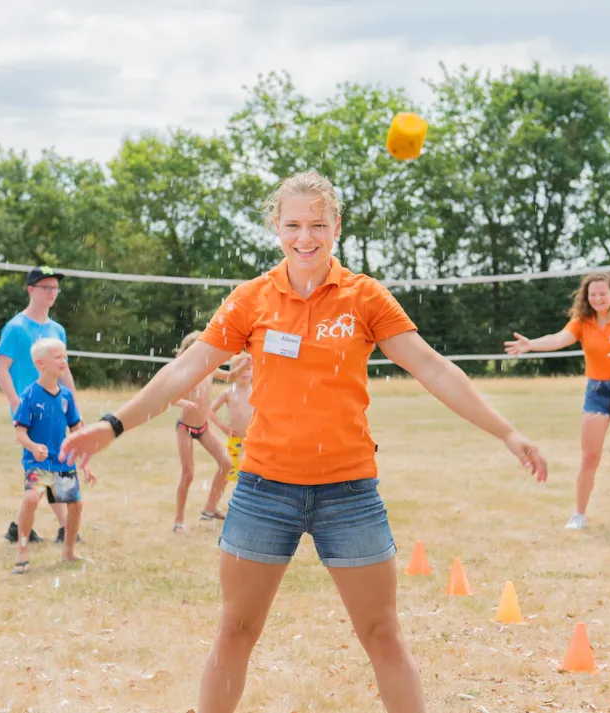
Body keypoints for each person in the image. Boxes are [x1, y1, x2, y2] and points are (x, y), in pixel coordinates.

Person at [59, 170, 547, 713]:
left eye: (317, 224)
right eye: (293, 224)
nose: (305, 237)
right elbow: (188, 367)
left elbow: (433, 369)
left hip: (350, 493)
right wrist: (113, 424)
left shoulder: (365, 298)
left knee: (383, 634)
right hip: (265, 491)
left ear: (336, 226)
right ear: (276, 227)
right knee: (236, 630)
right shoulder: (252, 300)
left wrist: (507, 430)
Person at [505, 272, 610, 530]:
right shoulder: (582, 322)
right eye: (593, 294)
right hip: (597, 391)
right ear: (587, 297)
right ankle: (578, 515)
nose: (598, 298)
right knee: (590, 457)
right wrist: (531, 344)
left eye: (603, 293)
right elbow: (558, 339)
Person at [0, 266, 78, 545]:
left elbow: (64, 369)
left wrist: (72, 403)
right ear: (31, 290)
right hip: (30, 411)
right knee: (46, 466)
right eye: (46, 288)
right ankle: (66, 528)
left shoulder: (57, 330)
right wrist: (17, 403)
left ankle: (19, 528)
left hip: (56, 407)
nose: (52, 293)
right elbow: (1, 370)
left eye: (55, 288)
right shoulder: (16, 328)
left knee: (49, 464)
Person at [12, 338, 95, 574]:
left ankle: (68, 551)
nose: (64, 360)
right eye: (57, 357)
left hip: (62, 463)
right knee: (30, 500)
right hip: (37, 464)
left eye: (64, 356)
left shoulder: (66, 396)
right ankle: (22, 549)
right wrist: (33, 446)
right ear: (41, 363)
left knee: (76, 505)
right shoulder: (29, 396)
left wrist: (85, 461)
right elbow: (20, 432)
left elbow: (77, 430)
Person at [171, 331, 236, 532]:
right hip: (185, 428)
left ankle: (210, 508)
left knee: (226, 463)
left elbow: (229, 376)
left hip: (203, 428)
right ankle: (179, 520)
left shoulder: (208, 368)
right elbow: (169, 397)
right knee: (188, 473)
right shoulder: (183, 371)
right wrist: (184, 402)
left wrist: (247, 361)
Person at [209, 351, 254, 484]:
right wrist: (224, 427)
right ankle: (215, 501)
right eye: (240, 368)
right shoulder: (228, 393)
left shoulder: (256, 392)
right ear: (233, 371)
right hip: (235, 441)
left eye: (248, 368)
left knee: (250, 476)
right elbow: (210, 411)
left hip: (253, 442)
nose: (244, 372)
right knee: (228, 474)